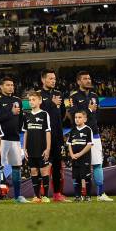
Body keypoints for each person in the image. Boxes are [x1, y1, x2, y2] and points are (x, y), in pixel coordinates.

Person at [69, 71, 113, 202]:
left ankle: (100, 194)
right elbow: (74, 116)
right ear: (78, 82)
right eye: (85, 79)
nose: (88, 80)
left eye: (89, 78)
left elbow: (97, 114)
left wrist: (91, 116)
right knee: (79, 166)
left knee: (98, 163)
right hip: (79, 136)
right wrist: (88, 111)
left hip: (94, 134)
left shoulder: (94, 96)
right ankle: (79, 195)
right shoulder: (74, 97)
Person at [0, 77, 26, 203]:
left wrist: (19, 130)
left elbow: (21, 118)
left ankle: (18, 196)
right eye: (7, 85)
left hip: (15, 139)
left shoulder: (18, 100)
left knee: (17, 167)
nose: (11, 87)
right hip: (2, 139)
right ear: (1, 87)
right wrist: (11, 113)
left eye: (12, 85)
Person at [38, 70, 67, 202]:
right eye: (50, 78)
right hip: (43, 136)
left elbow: (62, 113)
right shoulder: (38, 95)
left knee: (57, 166)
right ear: (43, 80)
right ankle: (40, 195)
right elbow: (38, 113)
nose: (53, 81)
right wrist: (51, 104)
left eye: (54, 78)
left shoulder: (58, 94)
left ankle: (57, 194)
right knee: (42, 166)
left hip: (58, 135)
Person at [22, 90, 52, 203]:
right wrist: (24, 148)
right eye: (29, 100)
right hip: (30, 149)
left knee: (44, 172)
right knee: (33, 171)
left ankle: (45, 196)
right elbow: (25, 132)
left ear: (40, 100)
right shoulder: (27, 115)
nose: (31, 102)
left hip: (42, 148)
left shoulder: (44, 114)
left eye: (33, 99)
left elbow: (48, 132)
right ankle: (36, 196)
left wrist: (48, 148)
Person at [67, 111, 94, 201]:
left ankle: (88, 196)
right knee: (76, 177)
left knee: (86, 177)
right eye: (76, 117)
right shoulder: (72, 131)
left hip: (85, 158)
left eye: (79, 117)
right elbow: (69, 144)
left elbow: (89, 144)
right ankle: (78, 196)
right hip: (75, 158)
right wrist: (71, 154)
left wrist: (79, 154)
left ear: (85, 119)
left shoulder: (88, 129)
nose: (77, 119)